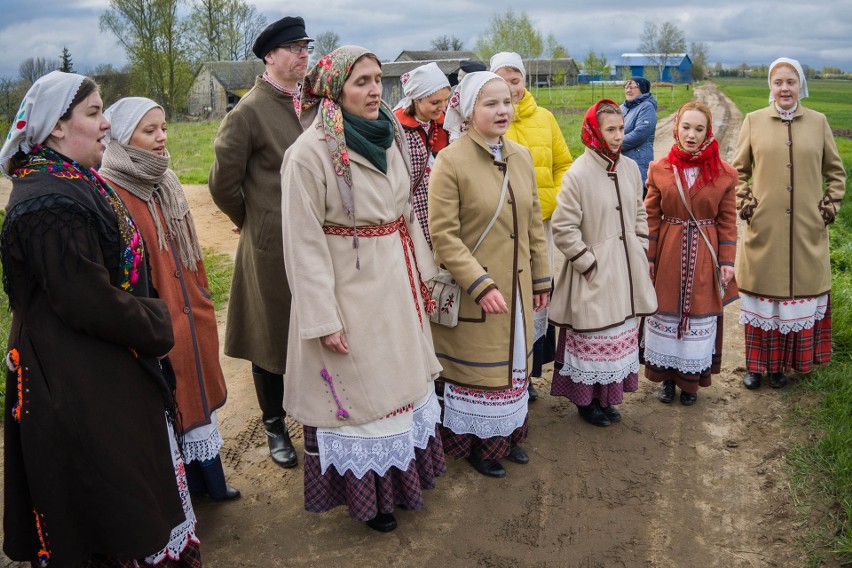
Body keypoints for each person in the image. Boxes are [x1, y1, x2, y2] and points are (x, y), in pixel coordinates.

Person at [0, 71, 201, 566]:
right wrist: (158, 323)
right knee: (103, 506)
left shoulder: (69, 181)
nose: (106, 123)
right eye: (93, 113)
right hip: (71, 380)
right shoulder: (47, 200)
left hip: (92, 367)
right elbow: (85, 299)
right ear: (56, 127)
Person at [280, 46, 446, 533]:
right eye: (361, 81)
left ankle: (401, 485)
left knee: (401, 390)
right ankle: (370, 501)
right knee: (360, 399)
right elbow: (303, 245)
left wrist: (425, 274)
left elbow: (406, 213)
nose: (375, 90)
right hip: (348, 292)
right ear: (334, 89)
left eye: (378, 80)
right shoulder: (307, 155)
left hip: (395, 282)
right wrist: (323, 319)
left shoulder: (388, 135)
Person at [100, 97, 238, 501]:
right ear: (124, 137)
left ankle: (210, 482)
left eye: (163, 128)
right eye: (150, 130)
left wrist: (198, 298)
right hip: (156, 319)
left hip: (189, 310)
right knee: (168, 401)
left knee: (197, 395)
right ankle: (181, 495)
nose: (162, 138)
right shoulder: (112, 191)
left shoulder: (167, 181)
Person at [428, 71, 550, 478]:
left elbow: (533, 223)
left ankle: (508, 435)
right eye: (490, 104)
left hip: (516, 287)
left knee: (513, 362)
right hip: (477, 290)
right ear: (468, 110)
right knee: (479, 370)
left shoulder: (520, 154)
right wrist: (479, 284)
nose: (502, 111)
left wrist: (540, 278)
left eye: (506, 102)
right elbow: (443, 236)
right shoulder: (450, 161)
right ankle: (480, 446)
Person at [208, 15, 313, 468]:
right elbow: (221, 183)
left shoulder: (313, 103)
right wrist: (251, 221)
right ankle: (274, 425)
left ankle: (317, 416)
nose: (302, 54)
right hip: (271, 245)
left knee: (316, 328)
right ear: (270, 56)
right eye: (293, 47)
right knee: (271, 336)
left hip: (317, 239)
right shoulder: (249, 110)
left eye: (305, 46)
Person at [732, 57, 846, 389]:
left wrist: (828, 209)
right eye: (779, 82)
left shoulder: (818, 121)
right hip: (764, 229)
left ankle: (782, 367)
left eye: (791, 82)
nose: (785, 88)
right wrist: (747, 205)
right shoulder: (753, 121)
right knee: (763, 300)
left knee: (793, 302)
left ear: (800, 87)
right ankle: (755, 367)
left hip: (807, 231)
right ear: (771, 85)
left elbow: (836, 173)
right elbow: (738, 171)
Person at [549, 99, 657, 426]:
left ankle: (609, 398)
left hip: (624, 274)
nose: (618, 136)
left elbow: (639, 213)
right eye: (610, 129)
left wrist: (638, 248)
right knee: (593, 338)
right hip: (591, 277)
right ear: (595, 131)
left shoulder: (628, 169)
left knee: (618, 337)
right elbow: (563, 228)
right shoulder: (577, 174)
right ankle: (587, 403)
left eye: (621, 128)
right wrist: (589, 263)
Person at [643, 101, 739, 405]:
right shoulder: (659, 169)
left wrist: (726, 261)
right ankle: (667, 381)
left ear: (707, 132)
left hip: (704, 257)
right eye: (686, 127)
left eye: (699, 129)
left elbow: (727, 220)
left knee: (698, 315)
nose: (691, 134)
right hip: (669, 252)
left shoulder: (724, 174)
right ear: (676, 127)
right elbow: (651, 217)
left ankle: (690, 383)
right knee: (666, 313)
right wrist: (649, 258)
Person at [490, 51, 574, 400]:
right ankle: (501, 371)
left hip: (539, 226)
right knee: (505, 297)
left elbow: (564, 164)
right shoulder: (491, 118)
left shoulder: (545, 118)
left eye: (515, 80)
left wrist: (548, 202)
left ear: (524, 81)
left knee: (537, 294)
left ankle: (528, 374)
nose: (510, 90)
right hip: (500, 229)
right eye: (502, 81)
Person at [392, 62, 451, 247]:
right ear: (416, 100)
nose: (442, 107)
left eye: (445, 100)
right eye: (435, 102)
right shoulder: (397, 129)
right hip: (413, 211)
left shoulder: (447, 124)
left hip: (442, 206)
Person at [620, 76, 657, 193]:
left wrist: (614, 144)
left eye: (632, 87)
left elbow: (640, 134)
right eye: (626, 87)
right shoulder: (622, 107)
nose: (628, 90)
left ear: (642, 89)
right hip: (622, 161)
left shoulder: (647, 107)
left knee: (637, 202)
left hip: (638, 163)